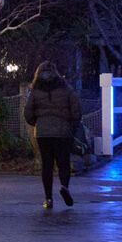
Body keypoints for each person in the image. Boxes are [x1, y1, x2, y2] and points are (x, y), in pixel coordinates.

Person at [23, 61, 82, 210]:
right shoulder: (66, 89)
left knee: (47, 165)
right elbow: (76, 109)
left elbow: (28, 112)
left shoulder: (35, 91)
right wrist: (72, 125)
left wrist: (36, 122)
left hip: (42, 132)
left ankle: (48, 198)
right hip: (63, 131)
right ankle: (64, 186)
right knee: (63, 162)